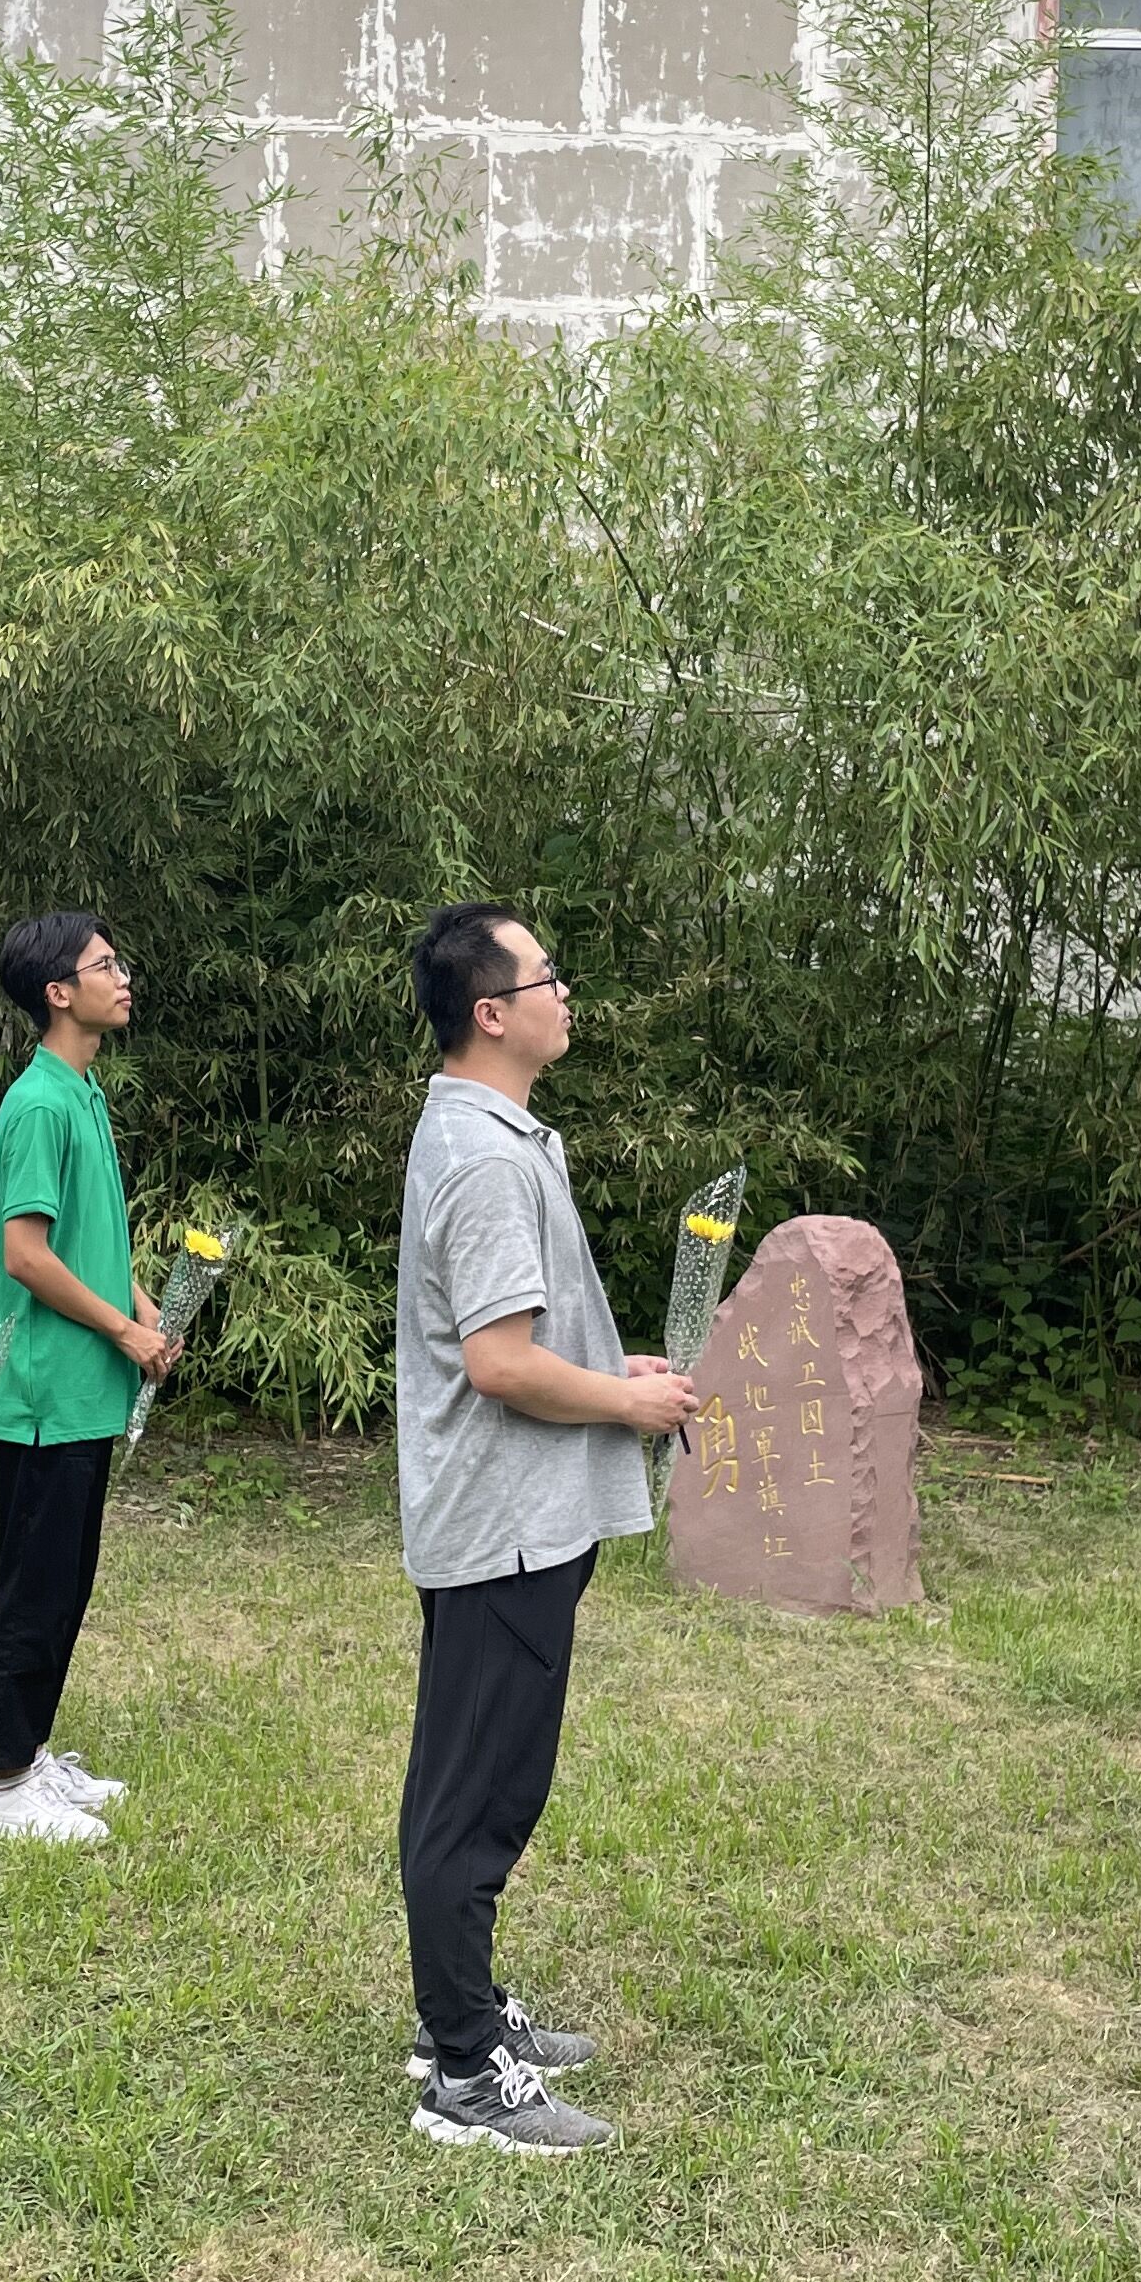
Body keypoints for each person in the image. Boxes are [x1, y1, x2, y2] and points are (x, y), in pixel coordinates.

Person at [391, 904, 697, 2157]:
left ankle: (460, 2015)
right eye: (548, 977)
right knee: (474, 1793)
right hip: (504, 1523)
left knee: (491, 1779)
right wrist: (625, 1400)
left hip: (523, 1517)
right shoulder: (485, 1157)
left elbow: (519, 1340)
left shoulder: (496, 1135)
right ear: (493, 1013)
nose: (568, 994)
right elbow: (499, 1364)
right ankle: (462, 2071)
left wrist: (605, 1361)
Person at [0, 911, 166, 1848]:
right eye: (104, 965)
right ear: (58, 992)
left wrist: (140, 1298)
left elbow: (89, 1234)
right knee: (34, 1588)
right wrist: (124, 1329)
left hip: (87, 1389)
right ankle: (4, 1787)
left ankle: (33, 1753)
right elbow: (26, 1255)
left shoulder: (82, 1093)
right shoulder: (39, 1102)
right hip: (47, 1394)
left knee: (67, 1581)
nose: (122, 977)